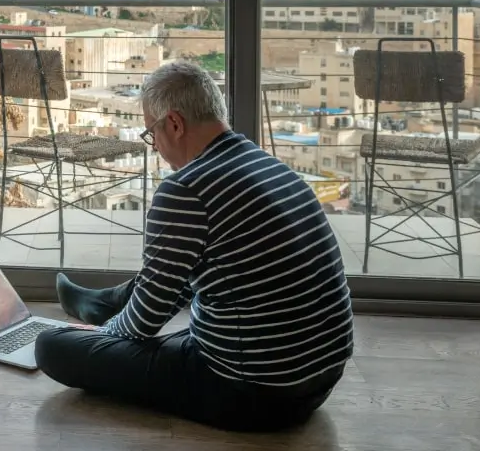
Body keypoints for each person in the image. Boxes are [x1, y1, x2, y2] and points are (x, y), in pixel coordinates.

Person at [35, 61, 353, 432]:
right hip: (321, 375)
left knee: (51, 346)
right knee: (175, 274)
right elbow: (186, 273)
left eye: (151, 133)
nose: (155, 146)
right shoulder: (269, 166)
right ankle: (104, 303)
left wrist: (104, 338)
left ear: (174, 123)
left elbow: (146, 321)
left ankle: (103, 314)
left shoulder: (185, 189)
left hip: (253, 390)